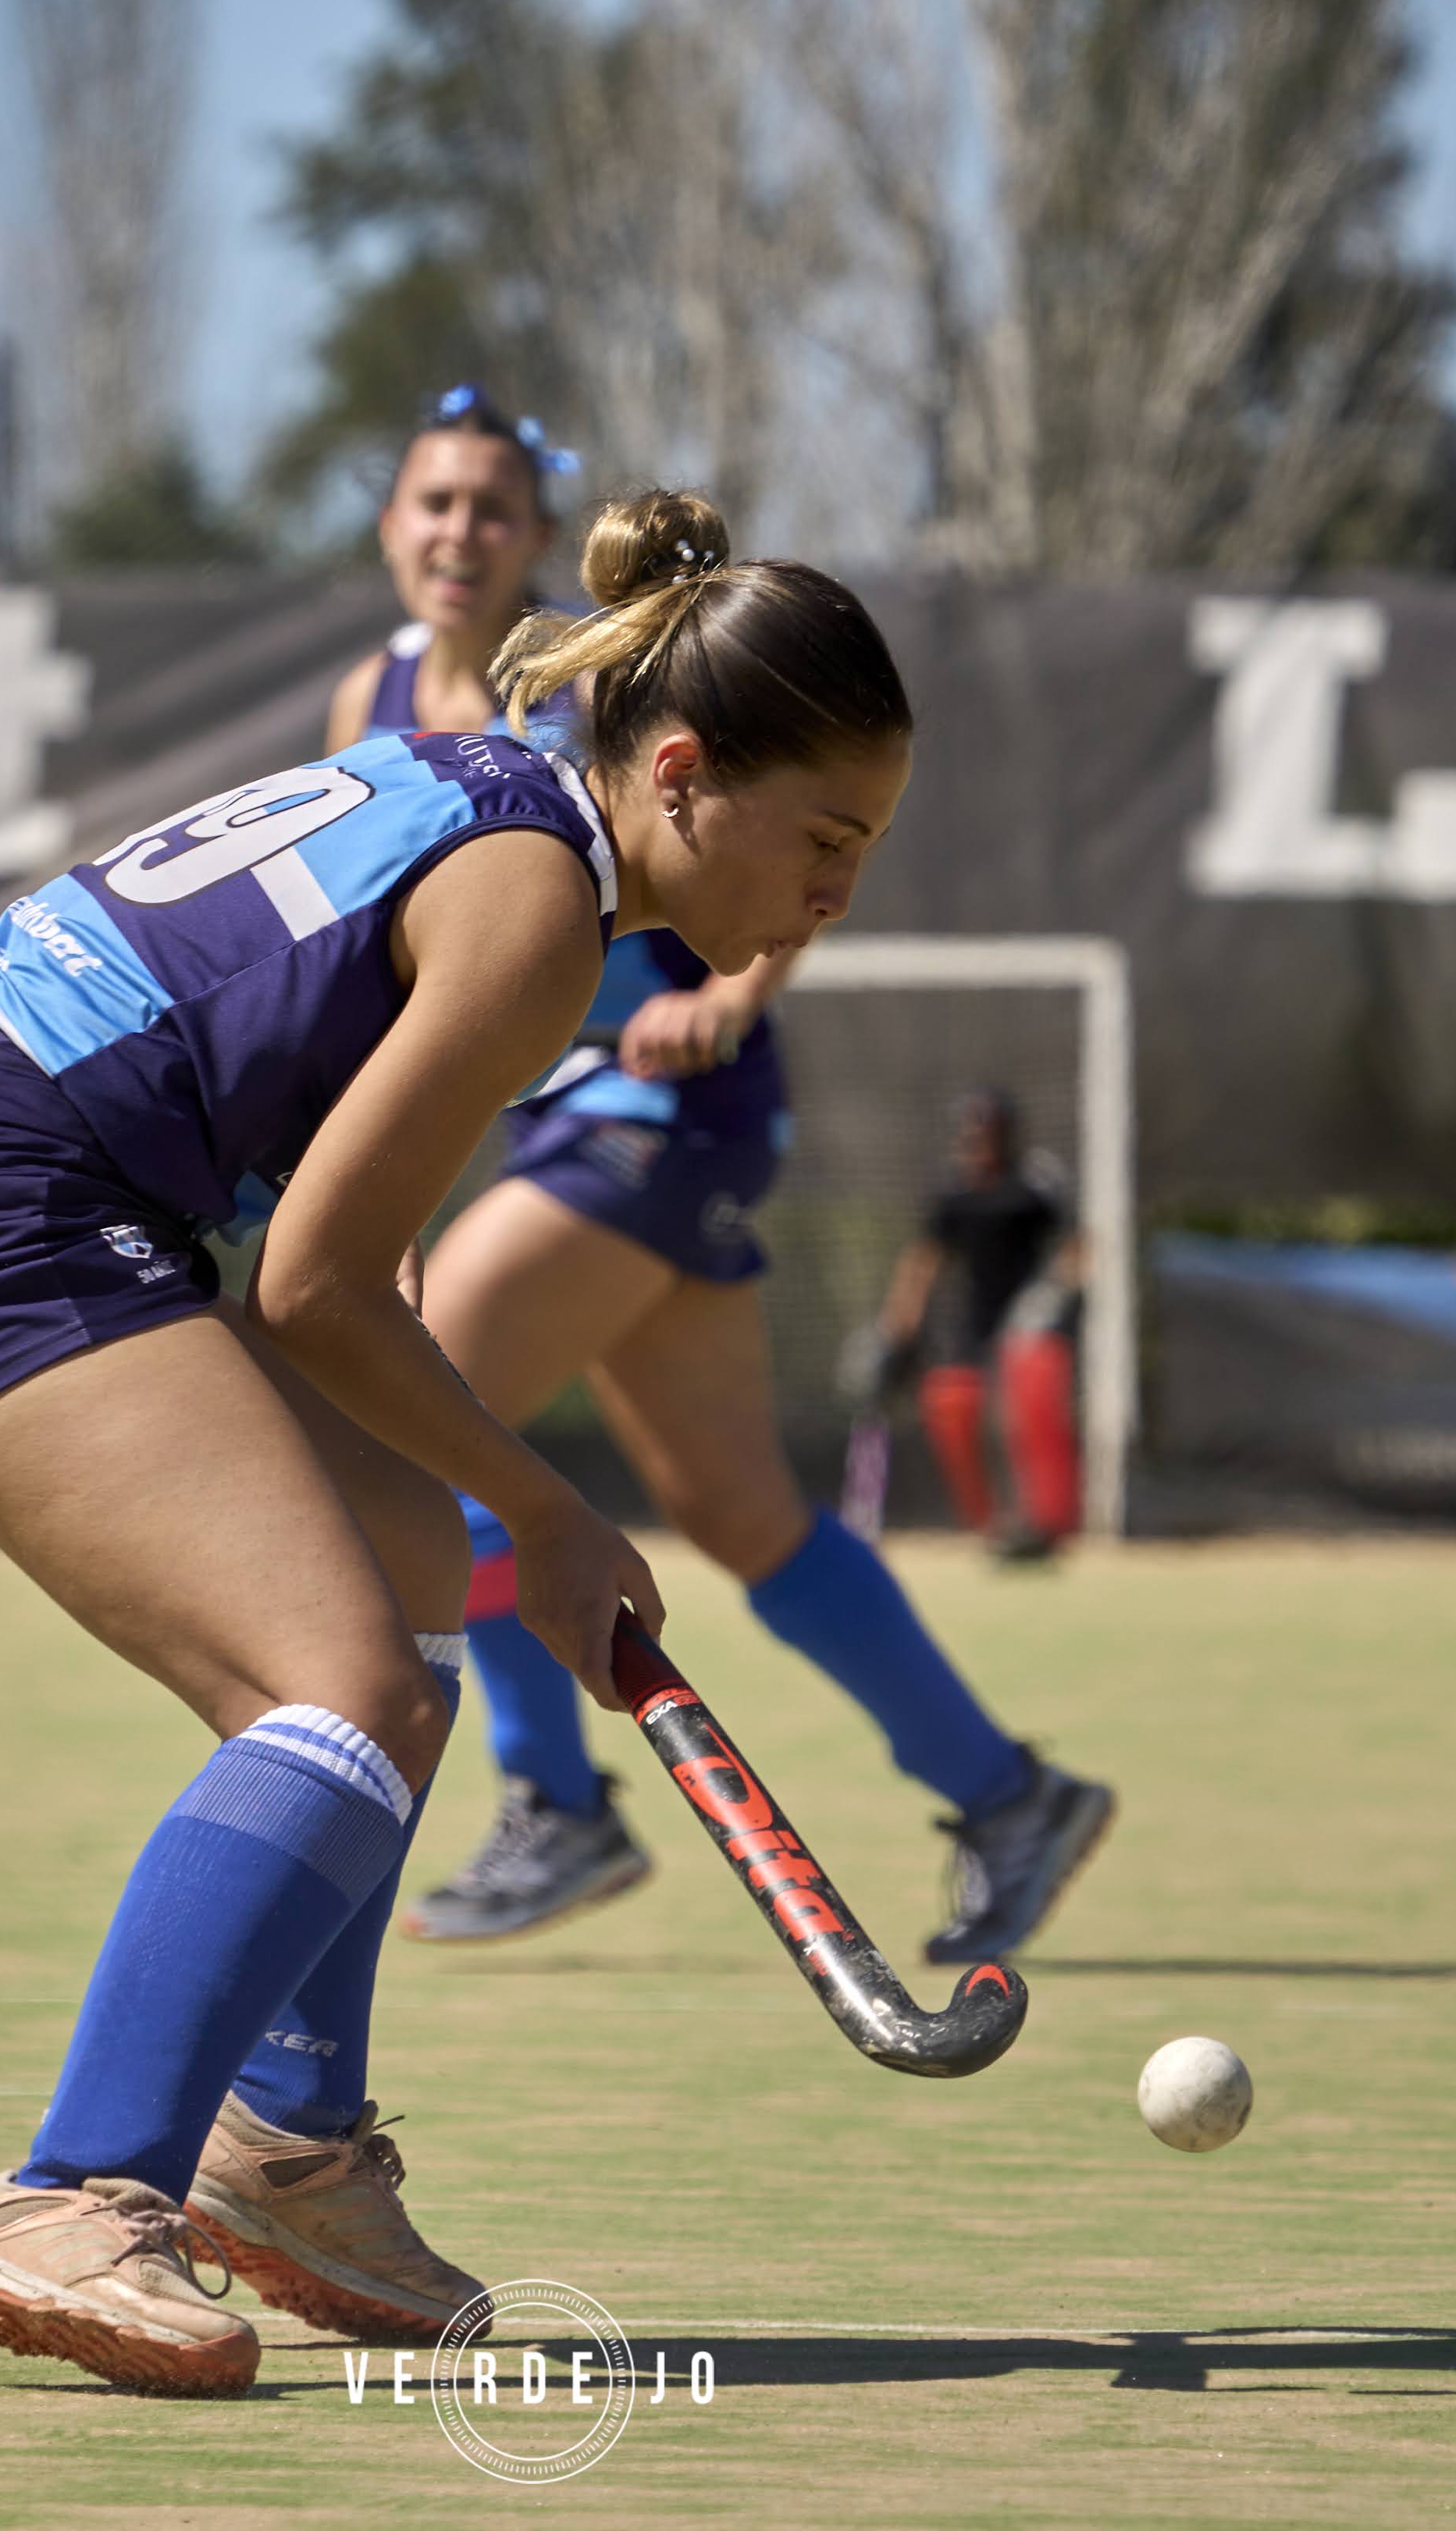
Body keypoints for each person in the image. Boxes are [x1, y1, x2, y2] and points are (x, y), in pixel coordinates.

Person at [0, 486, 910, 2397]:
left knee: (402, 1588)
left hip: (24, 1193)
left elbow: (307, 1263)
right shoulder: (540, 906)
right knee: (347, 1687)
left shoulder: (489, 795)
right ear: (688, 774)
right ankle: (76, 2184)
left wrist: (498, 1517)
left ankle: (286, 2150)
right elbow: (320, 1281)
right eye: (827, 840)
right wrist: (546, 1508)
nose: (837, 895)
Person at [322, 394, 1111, 1960]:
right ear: (391, 524)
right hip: (553, 1113)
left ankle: (555, 1801)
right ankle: (1007, 1794)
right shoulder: (379, 688)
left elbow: (784, 863)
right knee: (739, 1512)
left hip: (661, 1111)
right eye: (431, 503)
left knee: (438, 1397)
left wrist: (728, 999)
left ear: (536, 534)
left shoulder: (627, 667)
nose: (457, 533)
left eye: (489, 507)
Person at [874, 1090, 1087, 1559]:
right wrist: (896, 1328)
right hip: (973, 1323)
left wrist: (1051, 1297)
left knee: (1032, 1404)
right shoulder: (954, 1195)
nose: (977, 1143)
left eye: (987, 1133)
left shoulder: (1035, 1184)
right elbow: (923, 1264)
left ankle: (1050, 1523)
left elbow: (1078, 1248)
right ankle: (989, 1524)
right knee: (951, 1401)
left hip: (1032, 1322)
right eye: (971, 1133)